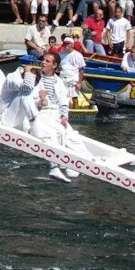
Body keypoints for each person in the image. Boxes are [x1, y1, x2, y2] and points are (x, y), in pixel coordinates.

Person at [26, 52, 92, 183]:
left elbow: (63, 102)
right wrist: (40, 101)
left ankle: (88, 160)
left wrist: (64, 116)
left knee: (71, 135)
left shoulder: (59, 82)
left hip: (55, 113)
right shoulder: (36, 79)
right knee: (58, 132)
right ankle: (62, 164)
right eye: (43, 60)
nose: (43, 63)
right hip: (42, 113)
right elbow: (28, 99)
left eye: (47, 61)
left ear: (55, 65)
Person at [57, 35, 86, 102]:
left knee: (74, 97)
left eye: (68, 43)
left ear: (72, 45)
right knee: (61, 97)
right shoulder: (59, 54)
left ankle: (76, 111)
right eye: (65, 43)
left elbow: (81, 70)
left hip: (73, 79)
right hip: (62, 78)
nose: (66, 45)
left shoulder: (78, 55)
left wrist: (79, 82)